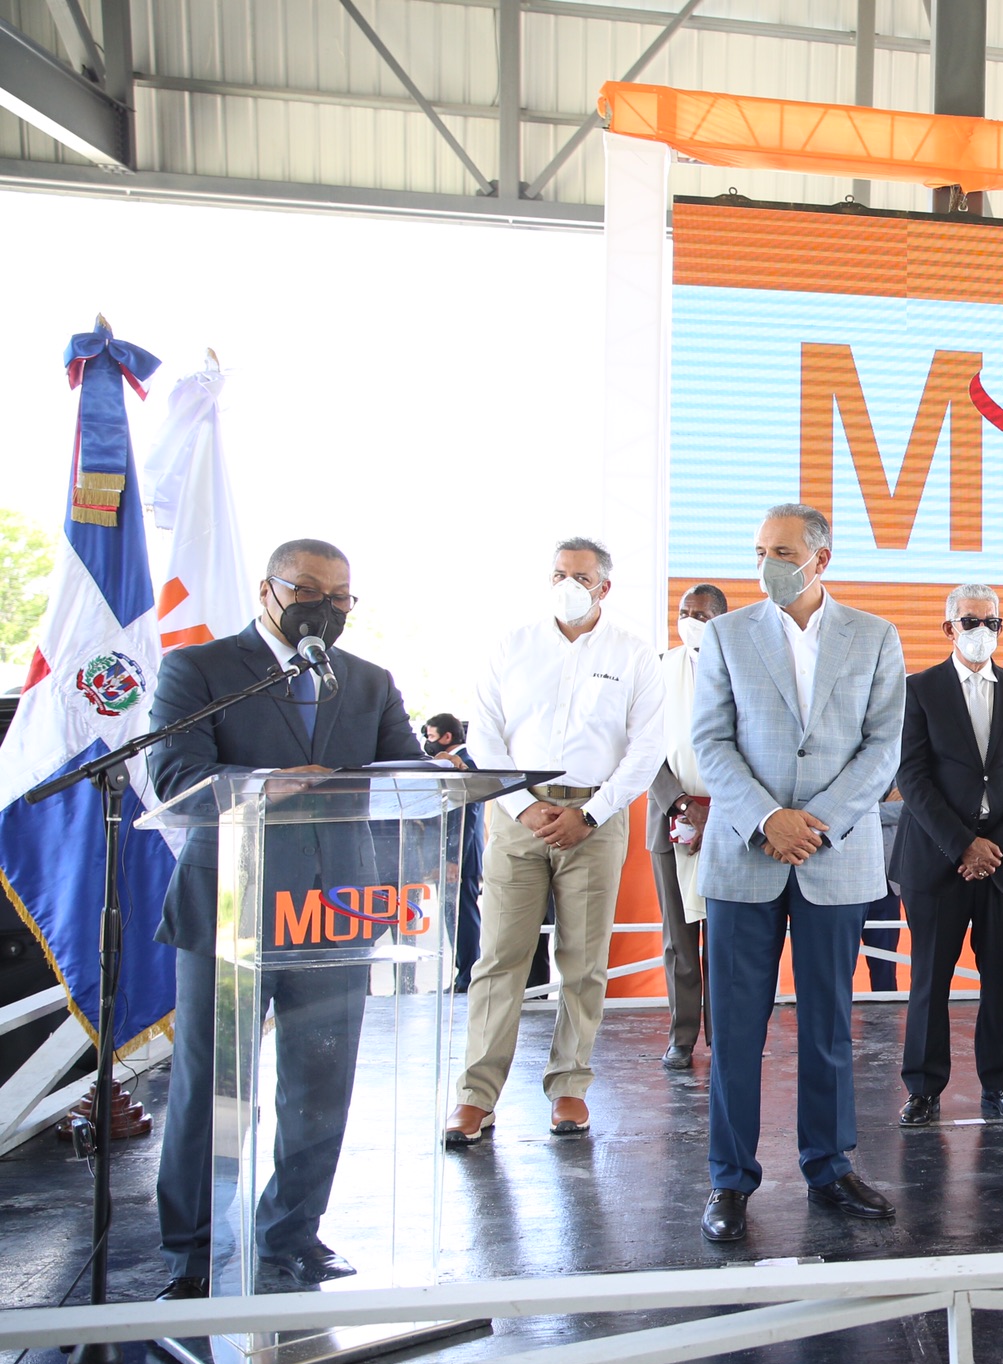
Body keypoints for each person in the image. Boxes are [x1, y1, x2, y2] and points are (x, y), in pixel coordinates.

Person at [149, 538, 425, 1299]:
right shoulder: (200, 670)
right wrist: (264, 784)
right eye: (308, 591)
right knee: (214, 1085)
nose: (324, 609)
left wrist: (448, 774)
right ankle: (194, 1252)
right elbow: (174, 774)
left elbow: (407, 774)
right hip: (230, 904)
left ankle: (293, 1235)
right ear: (268, 589)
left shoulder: (367, 681)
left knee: (320, 1084)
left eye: (340, 598)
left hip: (335, 908)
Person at [692, 505, 907, 1237]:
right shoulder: (726, 635)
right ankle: (729, 1180)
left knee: (828, 1024)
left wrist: (815, 823)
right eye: (760, 551)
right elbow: (711, 743)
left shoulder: (874, 636)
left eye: (782, 552)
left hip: (834, 855)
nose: (767, 564)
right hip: (744, 853)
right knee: (734, 1029)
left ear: (821, 558)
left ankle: (830, 1166)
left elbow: (882, 747)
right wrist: (768, 819)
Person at [448, 537, 666, 1145]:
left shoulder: (633, 653)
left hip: (596, 816)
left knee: (583, 960)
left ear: (605, 587)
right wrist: (522, 806)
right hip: (516, 812)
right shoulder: (512, 645)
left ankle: (569, 1085)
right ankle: (475, 1096)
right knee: (499, 957)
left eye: (582, 577)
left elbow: (647, 746)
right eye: (559, 574)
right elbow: (484, 734)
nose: (568, 585)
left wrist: (590, 815)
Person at [894, 583, 1003, 1127]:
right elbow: (911, 776)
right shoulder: (918, 690)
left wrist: (996, 845)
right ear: (949, 628)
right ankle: (923, 1088)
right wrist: (962, 844)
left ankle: (1001, 1084)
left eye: (992, 622)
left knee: (1002, 978)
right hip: (937, 858)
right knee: (930, 978)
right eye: (971, 621)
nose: (982, 631)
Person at [647, 583, 729, 1070]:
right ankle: (681, 1037)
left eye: (700, 615)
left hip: (729, 822)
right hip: (670, 819)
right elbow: (641, 747)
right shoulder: (658, 669)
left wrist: (718, 811)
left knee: (724, 940)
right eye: (684, 612)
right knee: (678, 939)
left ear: (720, 620)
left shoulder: (741, 666)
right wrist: (680, 804)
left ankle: (723, 1037)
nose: (689, 621)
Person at [422, 711, 484, 993]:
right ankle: (463, 975)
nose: (428, 742)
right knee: (453, 919)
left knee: (461, 919)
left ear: (447, 737)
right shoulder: (450, 763)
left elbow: (465, 815)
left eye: (431, 736)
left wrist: (452, 857)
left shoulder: (465, 764)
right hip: (453, 856)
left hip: (460, 858)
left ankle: (468, 976)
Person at [864, 787, 905, 994]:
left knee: (885, 964)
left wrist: (859, 813)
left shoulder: (896, 770)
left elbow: (908, 809)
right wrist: (884, 808)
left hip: (886, 881)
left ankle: (888, 1008)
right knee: (836, 962)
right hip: (841, 883)